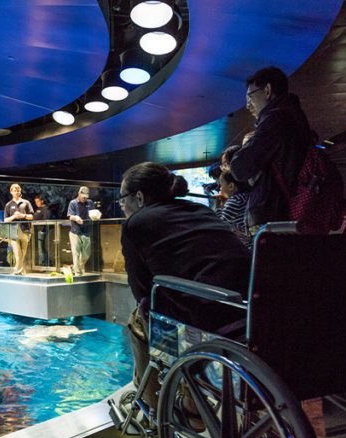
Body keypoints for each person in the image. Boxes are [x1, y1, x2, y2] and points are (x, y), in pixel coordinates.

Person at [119, 162, 251, 410]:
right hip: (246, 316)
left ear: (138, 197)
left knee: (139, 319)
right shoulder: (201, 211)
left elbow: (141, 291)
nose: (122, 206)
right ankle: (191, 403)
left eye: (122, 199)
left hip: (206, 327)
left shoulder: (135, 224)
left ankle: (156, 407)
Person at [230, 66, 312, 234]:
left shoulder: (276, 119)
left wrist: (243, 150)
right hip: (289, 210)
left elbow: (240, 167)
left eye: (249, 96)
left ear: (267, 90)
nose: (247, 105)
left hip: (276, 216)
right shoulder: (295, 117)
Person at [218, 145, 252, 248]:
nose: (224, 168)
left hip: (247, 246)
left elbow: (220, 224)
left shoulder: (235, 200)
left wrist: (219, 206)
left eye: (225, 164)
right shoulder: (246, 195)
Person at [3, 183, 34, 275]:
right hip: (13, 231)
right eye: (14, 190)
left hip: (25, 230)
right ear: (11, 192)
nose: (16, 192)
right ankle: (18, 271)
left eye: (18, 190)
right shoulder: (8, 205)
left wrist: (22, 215)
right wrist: (13, 217)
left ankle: (19, 270)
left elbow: (32, 216)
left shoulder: (26, 202)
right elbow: (5, 219)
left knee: (23, 253)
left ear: (20, 191)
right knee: (17, 253)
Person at [67, 186, 94, 276]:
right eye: (83, 196)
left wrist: (96, 216)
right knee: (76, 253)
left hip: (86, 231)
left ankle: (74, 267)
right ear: (79, 194)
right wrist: (76, 217)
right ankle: (77, 273)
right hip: (75, 231)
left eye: (86, 196)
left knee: (86, 254)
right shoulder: (73, 203)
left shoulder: (90, 203)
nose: (85, 198)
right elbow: (70, 216)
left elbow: (93, 213)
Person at [33, 194, 51, 267]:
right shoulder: (38, 209)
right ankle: (45, 262)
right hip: (38, 231)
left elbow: (46, 220)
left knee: (42, 248)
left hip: (43, 231)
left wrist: (43, 230)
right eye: (35, 202)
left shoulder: (46, 209)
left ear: (42, 201)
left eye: (38, 201)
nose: (36, 203)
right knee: (41, 247)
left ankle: (43, 263)